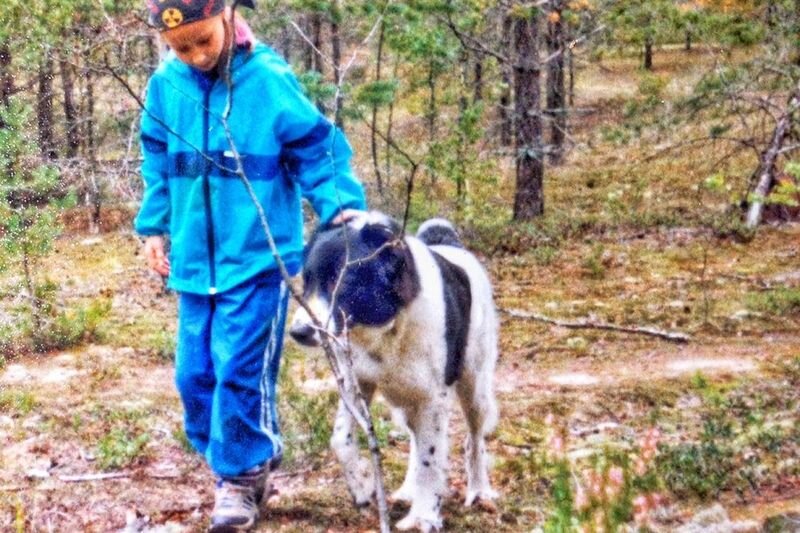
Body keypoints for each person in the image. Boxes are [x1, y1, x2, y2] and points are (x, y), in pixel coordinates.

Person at [135, 1, 366, 530]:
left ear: (226, 18)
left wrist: (342, 208)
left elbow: (316, 149)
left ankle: (239, 478)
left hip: (259, 259)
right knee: (194, 376)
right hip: (194, 264)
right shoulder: (166, 86)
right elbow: (156, 157)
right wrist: (154, 225)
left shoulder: (266, 79)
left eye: (202, 42)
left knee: (239, 371)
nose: (194, 57)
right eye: (180, 48)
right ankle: (247, 455)